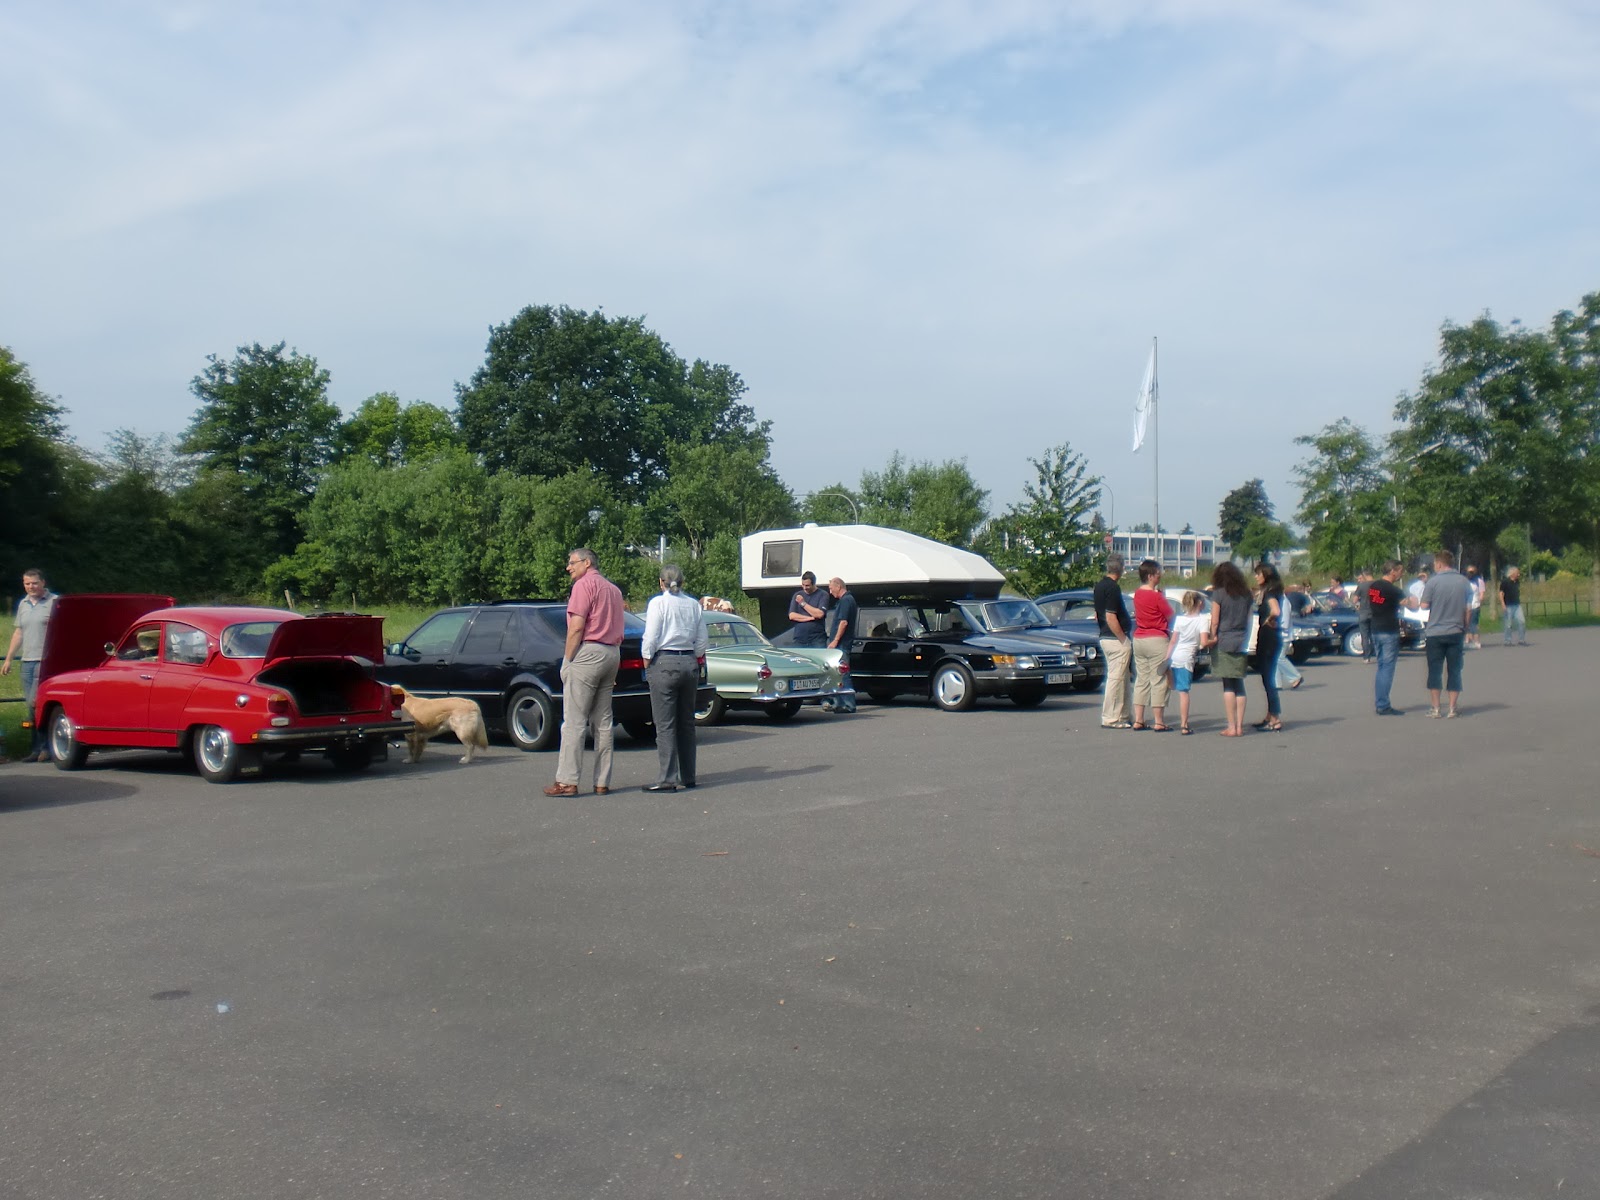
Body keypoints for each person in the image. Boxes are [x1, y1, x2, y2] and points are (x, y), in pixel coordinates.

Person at [543, 548, 625, 798]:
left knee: (574, 721)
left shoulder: (583, 586)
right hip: (612, 652)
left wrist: (567, 661)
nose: (569, 567)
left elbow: (576, 628)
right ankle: (602, 781)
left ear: (586, 563)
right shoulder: (613, 590)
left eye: (572, 563)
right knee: (603, 722)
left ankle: (567, 780)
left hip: (588, 652)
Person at [640, 563, 709, 794]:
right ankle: (688, 775)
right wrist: (696, 657)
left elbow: (651, 636)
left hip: (665, 661)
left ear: (661, 582)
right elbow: (702, 641)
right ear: (683, 583)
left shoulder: (658, 603)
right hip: (689, 661)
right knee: (687, 723)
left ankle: (668, 777)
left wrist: (647, 660)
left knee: (665, 724)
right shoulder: (693, 605)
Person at [2, 568, 57, 761]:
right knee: (30, 706)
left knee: (38, 703)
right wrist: (9, 658)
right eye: (27, 583)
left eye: (34, 583)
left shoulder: (55, 602)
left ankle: (46, 748)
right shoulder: (23, 604)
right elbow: (19, 633)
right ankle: (36, 749)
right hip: (27, 662)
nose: (31, 587)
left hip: (46, 662)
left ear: (43, 582)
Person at [1414, 549, 1473, 718]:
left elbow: (1424, 606)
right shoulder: (1464, 582)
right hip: (1456, 630)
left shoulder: (1432, 582)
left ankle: (1436, 708)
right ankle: (1453, 708)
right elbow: (1468, 609)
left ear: (1439, 564)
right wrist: (1465, 627)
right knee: (1455, 670)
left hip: (1435, 632)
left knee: (1435, 670)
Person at [1206, 562, 1253, 737]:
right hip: (1241, 640)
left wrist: (1213, 636)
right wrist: (1246, 638)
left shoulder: (1218, 594)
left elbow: (1215, 620)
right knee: (1239, 684)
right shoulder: (1246, 594)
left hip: (1224, 639)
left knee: (1228, 685)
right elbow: (1249, 620)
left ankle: (1231, 726)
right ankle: (1240, 726)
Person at [1129, 559, 1171, 732]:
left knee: (1142, 679)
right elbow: (1170, 614)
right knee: (1159, 679)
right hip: (1157, 638)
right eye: (1158, 572)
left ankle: (1139, 719)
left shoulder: (1137, 594)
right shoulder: (1157, 596)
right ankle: (1158, 721)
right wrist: (1161, 595)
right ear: (1150, 576)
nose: (1160, 575)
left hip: (1139, 638)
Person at [1094, 554, 1134, 729]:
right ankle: (1111, 717)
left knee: (1123, 678)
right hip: (1115, 638)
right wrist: (1123, 639)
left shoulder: (1099, 586)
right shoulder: (1112, 588)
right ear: (1121, 568)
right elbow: (1110, 616)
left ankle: (1123, 715)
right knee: (1116, 679)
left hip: (1105, 636)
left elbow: (1098, 615)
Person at [1165, 591, 1208, 735]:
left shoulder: (1180, 619)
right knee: (1184, 692)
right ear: (1199, 603)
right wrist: (1214, 641)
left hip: (1175, 655)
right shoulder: (1202, 620)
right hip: (1186, 657)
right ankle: (1184, 724)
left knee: (1172, 687)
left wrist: (1167, 657)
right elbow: (1203, 642)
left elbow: (1173, 641)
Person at [1368, 560, 1406, 716]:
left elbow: (1377, 602)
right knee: (1387, 669)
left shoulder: (1374, 587)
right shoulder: (1393, 590)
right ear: (1393, 571)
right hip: (1389, 629)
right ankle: (1383, 704)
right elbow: (1409, 604)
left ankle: (1380, 701)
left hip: (1375, 628)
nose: (1401, 574)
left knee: (1381, 666)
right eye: (1400, 571)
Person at [1251, 562, 1285, 732]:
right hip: (1269, 636)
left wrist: (1269, 619)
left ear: (1266, 575)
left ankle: (1275, 718)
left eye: (1258, 574)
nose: (1256, 577)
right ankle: (1270, 715)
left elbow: (1276, 611)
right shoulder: (1271, 591)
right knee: (1266, 677)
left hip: (1269, 637)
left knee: (1268, 678)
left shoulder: (1270, 592)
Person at [823, 577, 858, 713]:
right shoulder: (847, 600)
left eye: (831, 589)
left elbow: (843, 623)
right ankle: (839, 703)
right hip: (841, 644)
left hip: (842, 644)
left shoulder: (846, 600)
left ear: (838, 586)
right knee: (837, 674)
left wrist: (835, 640)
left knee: (843, 673)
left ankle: (849, 704)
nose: (831, 593)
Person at [787, 571, 830, 646]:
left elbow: (819, 614)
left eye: (807, 585)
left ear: (814, 584)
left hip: (817, 639)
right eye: (803, 585)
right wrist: (810, 618)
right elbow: (792, 616)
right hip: (800, 639)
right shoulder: (797, 595)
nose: (804, 588)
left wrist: (803, 603)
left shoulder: (823, 595)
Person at [1499, 566, 1527, 646]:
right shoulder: (1505, 582)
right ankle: (1507, 640)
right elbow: (1501, 594)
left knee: (1522, 621)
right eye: (1517, 573)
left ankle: (1521, 639)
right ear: (1512, 573)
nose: (1519, 574)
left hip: (1517, 605)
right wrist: (1503, 604)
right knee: (1508, 624)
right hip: (1508, 605)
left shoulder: (1517, 582)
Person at [1355, 567, 1375, 663]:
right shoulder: (1376, 585)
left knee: (1365, 636)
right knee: (1374, 635)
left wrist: (1358, 603)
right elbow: (1379, 599)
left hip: (1363, 613)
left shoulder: (1362, 586)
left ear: (1364, 575)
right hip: (1374, 613)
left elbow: (1354, 599)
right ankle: (1378, 654)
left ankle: (1366, 657)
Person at [1464, 565, 1485, 649]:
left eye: (1472, 572)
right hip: (1466, 605)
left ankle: (1476, 641)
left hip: (1475, 605)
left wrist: (1479, 602)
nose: (1470, 574)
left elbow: (1481, 593)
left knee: (1473, 623)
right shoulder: (1465, 581)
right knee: (1466, 623)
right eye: (1469, 572)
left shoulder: (1479, 581)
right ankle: (1468, 640)